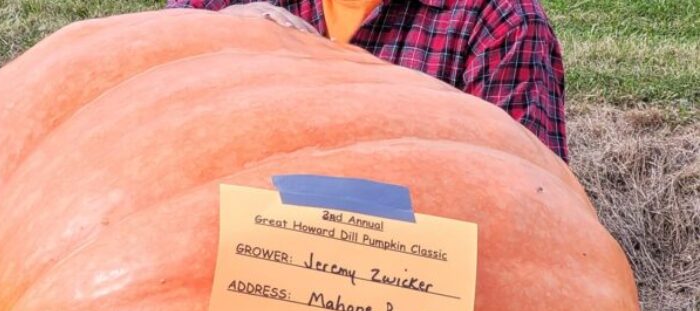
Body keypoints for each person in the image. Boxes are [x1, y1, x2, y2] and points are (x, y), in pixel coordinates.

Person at [166, 0, 568, 162]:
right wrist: (216, 34)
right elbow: (140, 105)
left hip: (400, 299)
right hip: (234, 267)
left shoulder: (502, 23)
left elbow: (533, 208)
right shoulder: (216, 4)